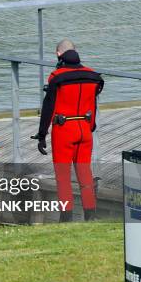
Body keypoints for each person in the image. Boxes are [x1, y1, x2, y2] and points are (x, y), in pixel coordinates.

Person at [31, 39, 104, 222]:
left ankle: (66, 217)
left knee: (63, 176)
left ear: (58, 54)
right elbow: (93, 104)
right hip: (85, 129)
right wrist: (91, 125)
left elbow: (48, 107)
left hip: (64, 129)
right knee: (84, 173)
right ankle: (91, 215)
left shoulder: (57, 77)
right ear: (76, 51)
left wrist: (41, 135)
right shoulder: (93, 76)